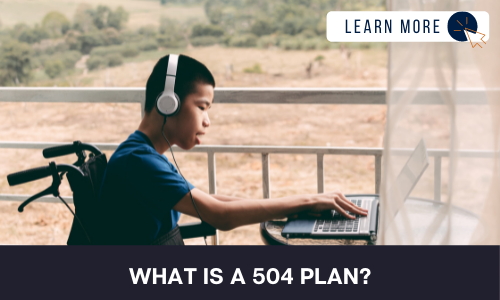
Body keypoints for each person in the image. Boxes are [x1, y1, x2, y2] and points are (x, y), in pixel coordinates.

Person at [97, 54, 367, 245]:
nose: (207, 120)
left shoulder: (143, 154)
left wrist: (296, 205)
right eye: (202, 107)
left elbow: (212, 200)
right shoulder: (138, 162)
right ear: (169, 103)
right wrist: (307, 201)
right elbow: (221, 215)